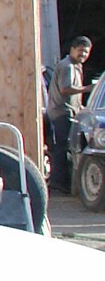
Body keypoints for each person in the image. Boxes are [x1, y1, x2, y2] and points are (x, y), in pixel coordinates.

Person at [47, 35, 92, 192]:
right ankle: (59, 183)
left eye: (86, 52)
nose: (83, 55)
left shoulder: (75, 65)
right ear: (72, 49)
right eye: (80, 51)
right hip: (62, 112)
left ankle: (62, 183)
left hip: (69, 111)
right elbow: (65, 89)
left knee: (64, 146)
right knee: (62, 147)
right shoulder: (67, 66)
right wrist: (87, 89)